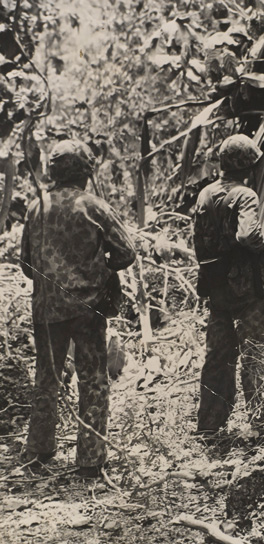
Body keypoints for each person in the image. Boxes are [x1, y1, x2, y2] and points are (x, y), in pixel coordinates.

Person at [19, 139, 136, 477]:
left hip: (46, 311)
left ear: (54, 171)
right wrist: (98, 270)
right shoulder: (93, 206)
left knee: (47, 379)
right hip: (88, 308)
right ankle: (90, 460)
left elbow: (27, 264)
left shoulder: (35, 207)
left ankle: (38, 452)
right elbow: (126, 253)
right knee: (93, 378)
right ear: (86, 170)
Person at [193, 133, 264, 440]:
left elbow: (200, 240)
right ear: (247, 166)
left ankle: (209, 427)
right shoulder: (246, 195)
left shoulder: (204, 195)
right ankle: (262, 425)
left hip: (216, 288)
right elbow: (247, 235)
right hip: (247, 289)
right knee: (255, 354)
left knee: (218, 358)